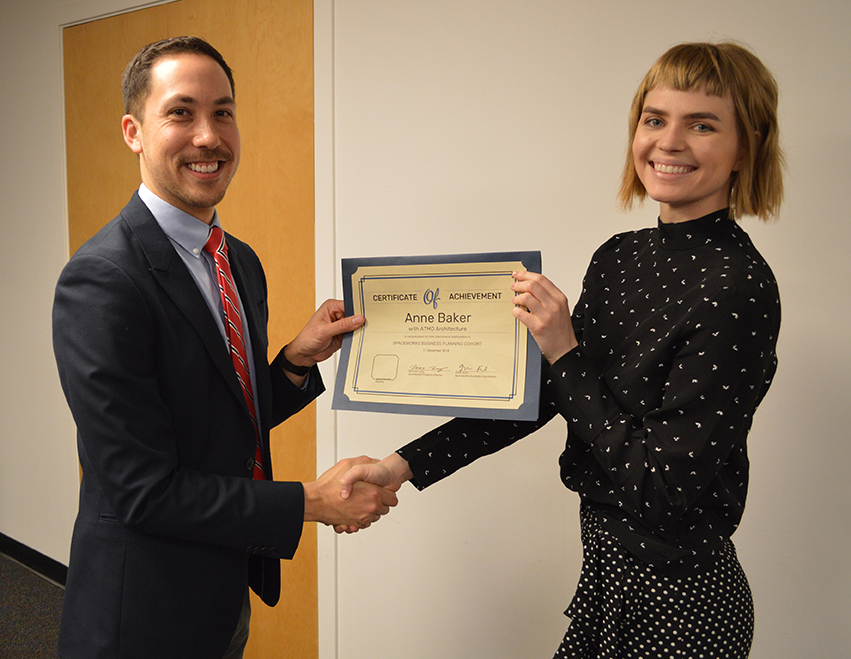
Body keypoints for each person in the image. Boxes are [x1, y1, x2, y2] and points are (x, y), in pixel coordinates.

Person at [340, 41, 784, 658]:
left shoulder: (738, 286)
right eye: (655, 119)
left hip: (681, 609)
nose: (669, 142)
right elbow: (544, 395)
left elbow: (661, 490)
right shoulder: (620, 257)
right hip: (606, 586)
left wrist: (564, 351)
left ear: (748, 146)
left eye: (702, 125)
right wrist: (400, 466)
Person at [52, 36, 396, 659]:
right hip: (143, 610)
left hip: (223, 585)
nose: (209, 137)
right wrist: (312, 501)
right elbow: (144, 490)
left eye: (223, 112)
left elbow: (219, 422)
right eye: (180, 113)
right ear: (133, 132)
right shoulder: (102, 280)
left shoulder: (238, 260)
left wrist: (295, 360)